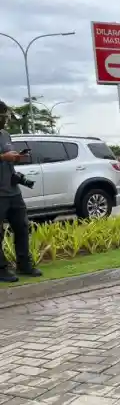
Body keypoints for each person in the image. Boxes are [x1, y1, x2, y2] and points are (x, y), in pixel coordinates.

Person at [0, 101, 42, 282]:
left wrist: (16, 157)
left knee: (22, 227)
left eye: (7, 115)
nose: (7, 119)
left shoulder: (5, 135)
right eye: (4, 116)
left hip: (13, 190)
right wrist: (3, 156)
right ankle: (1, 270)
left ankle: (24, 265)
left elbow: (8, 158)